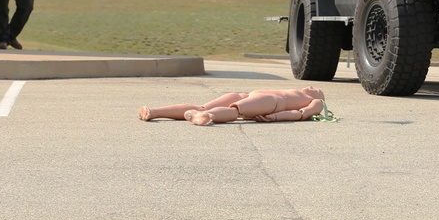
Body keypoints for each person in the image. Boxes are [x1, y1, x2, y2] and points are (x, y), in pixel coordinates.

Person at [138, 87, 333, 125]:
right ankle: (154, 112)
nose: (312, 87)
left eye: (317, 89)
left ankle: (206, 117)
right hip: (250, 94)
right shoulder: (297, 90)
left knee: (235, 111)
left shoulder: (316, 102)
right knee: (203, 105)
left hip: (271, 103)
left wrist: (275, 117)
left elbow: (300, 113)